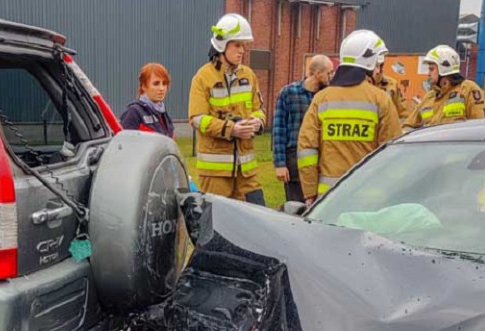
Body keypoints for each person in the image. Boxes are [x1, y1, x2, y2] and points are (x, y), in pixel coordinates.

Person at [297, 30, 403, 204]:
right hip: (369, 199)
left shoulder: (322, 99)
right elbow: (392, 152)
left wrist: (309, 193)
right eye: (377, 63)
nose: (378, 69)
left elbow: (306, 149)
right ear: (368, 61)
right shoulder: (380, 99)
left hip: (327, 200)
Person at [188, 13, 268, 205]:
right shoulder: (203, 78)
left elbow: (259, 110)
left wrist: (257, 122)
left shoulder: (249, 75)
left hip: (246, 171)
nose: (242, 51)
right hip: (215, 173)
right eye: (237, 45)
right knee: (216, 229)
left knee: (258, 221)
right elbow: (197, 118)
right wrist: (230, 129)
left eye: (243, 45)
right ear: (222, 46)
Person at [272, 55, 333, 203]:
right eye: (329, 72)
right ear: (318, 73)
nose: (331, 76)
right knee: (296, 206)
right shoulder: (288, 93)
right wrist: (280, 164)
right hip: (294, 158)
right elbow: (279, 129)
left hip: (322, 157)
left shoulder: (328, 95)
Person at [405, 45, 485, 129]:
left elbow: (479, 126)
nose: (428, 74)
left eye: (431, 69)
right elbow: (409, 125)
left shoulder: (468, 89)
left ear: (444, 68)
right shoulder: (429, 97)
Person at [364, 33, 411, 124]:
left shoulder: (392, 85)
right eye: (376, 66)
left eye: (380, 66)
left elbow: (403, 114)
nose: (378, 71)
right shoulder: (358, 85)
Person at [119, 63, 174, 137]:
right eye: (156, 84)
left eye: (164, 83)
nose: (161, 88)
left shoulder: (163, 113)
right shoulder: (133, 112)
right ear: (144, 86)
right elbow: (125, 143)